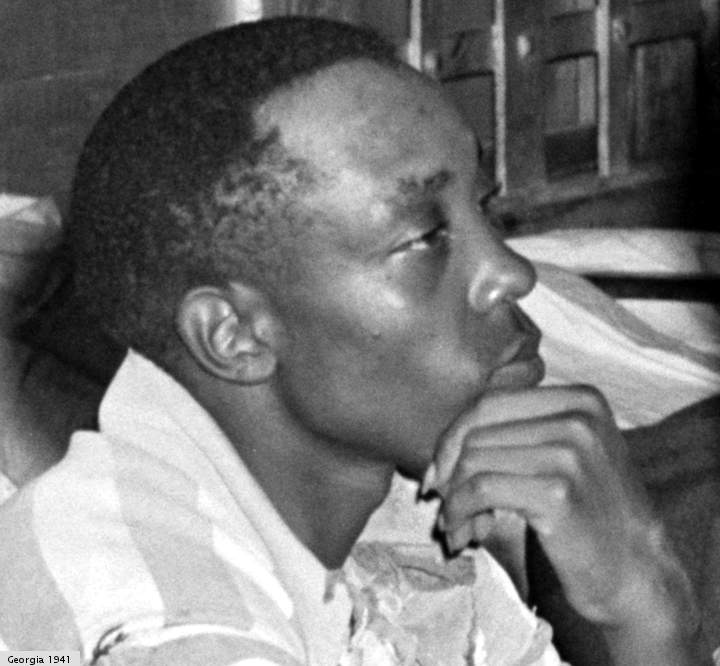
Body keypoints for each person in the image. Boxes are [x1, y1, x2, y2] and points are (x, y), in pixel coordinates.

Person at [0, 16, 710, 665]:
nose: (512, 273)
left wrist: (639, 599)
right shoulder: (171, 626)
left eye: (485, 207)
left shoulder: (386, 525)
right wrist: (644, 606)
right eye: (424, 237)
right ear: (234, 335)